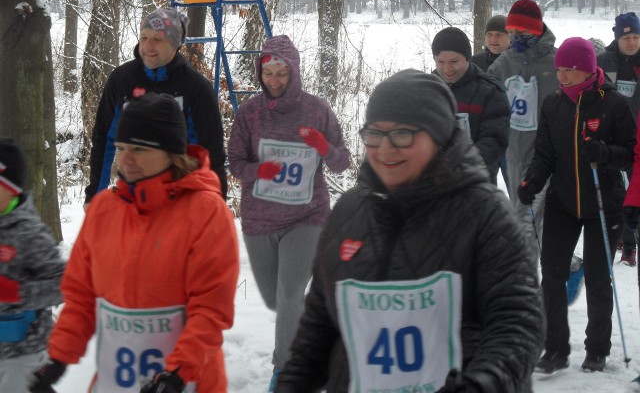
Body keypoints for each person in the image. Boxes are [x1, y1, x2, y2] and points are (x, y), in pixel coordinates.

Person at [275, 70, 544, 393]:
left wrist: (482, 382)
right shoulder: (349, 211)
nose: (385, 149)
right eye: (374, 134)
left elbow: (518, 323)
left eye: (403, 134)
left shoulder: (486, 213)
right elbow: (320, 325)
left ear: (440, 135)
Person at [30, 93, 239, 392]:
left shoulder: (207, 213)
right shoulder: (104, 209)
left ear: (171, 152)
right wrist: (57, 358)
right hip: (115, 381)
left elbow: (210, 310)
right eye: (121, 147)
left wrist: (175, 375)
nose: (125, 160)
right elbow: (81, 297)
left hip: (185, 381)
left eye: (139, 149)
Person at [227, 34, 350, 390]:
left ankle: (286, 370)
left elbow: (342, 162)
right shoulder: (250, 113)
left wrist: (325, 147)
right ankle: (313, 321)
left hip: (306, 216)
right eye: (269, 73)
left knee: (288, 293)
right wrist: (256, 172)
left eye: (282, 73)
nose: (275, 81)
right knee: (275, 297)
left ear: (294, 71)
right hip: (260, 219)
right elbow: (234, 160)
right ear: (260, 72)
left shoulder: (316, 110)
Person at [517, 37, 635, 374]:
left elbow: (629, 154)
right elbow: (544, 155)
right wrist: (532, 183)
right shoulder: (554, 105)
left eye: (570, 69)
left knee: (599, 278)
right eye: (560, 70)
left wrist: (606, 154)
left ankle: (597, 349)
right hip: (563, 203)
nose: (563, 76)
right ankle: (554, 349)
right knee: (551, 278)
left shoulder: (612, 104)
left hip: (604, 202)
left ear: (587, 68)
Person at [85, 7, 228, 208]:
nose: (148, 46)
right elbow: (104, 138)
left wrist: (215, 203)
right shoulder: (122, 79)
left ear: (175, 43)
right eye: (144, 38)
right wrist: (94, 195)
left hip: (181, 201)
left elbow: (211, 153)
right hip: (132, 199)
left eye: (157, 39)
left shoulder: (195, 87)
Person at [488, 0, 558, 244]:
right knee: (526, 220)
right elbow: (489, 103)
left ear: (537, 30)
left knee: (527, 222)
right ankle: (559, 266)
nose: (516, 37)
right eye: (513, 32)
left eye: (523, 32)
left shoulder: (555, 63)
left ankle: (529, 276)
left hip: (545, 155)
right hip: (513, 153)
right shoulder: (503, 63)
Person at [0, 139, 65, 392]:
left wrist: (17, 293)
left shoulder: (29, 233)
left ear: (11, 188)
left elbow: (63, 283)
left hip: (24, 353)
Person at [432, 26, 510, 185]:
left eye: (454, 61)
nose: (447, 69)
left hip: (476, 185)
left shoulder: (489, 91)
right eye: (440, 62)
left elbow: (495, 138)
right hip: (434, 186)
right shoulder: (426, 89)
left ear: (467, 58)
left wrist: (462, 166)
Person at [598, 12, 640, 267]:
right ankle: (624, 240)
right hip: (612, 137)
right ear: (617, 37)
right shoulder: (604, 61)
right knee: (618, 192)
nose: (632, 42)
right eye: (627, 37)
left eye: (636, 36)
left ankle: (631, 243)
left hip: (638, 137)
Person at [471, 15, 512, 194]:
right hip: (485, 137)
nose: (493, 39)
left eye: (499, 34)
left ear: (509, 36)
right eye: (489, 34)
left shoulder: (517, 62)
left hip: (513, 138)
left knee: (518, 192)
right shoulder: (475, 63)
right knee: (485, 192)